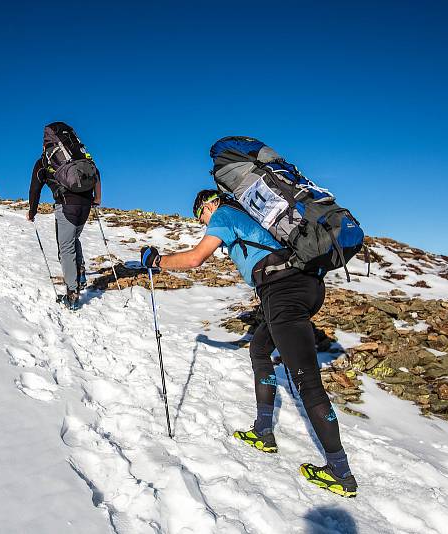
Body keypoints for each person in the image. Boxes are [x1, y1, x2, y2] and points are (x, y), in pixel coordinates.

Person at [139, 189, 357, 498]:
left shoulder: (225, 214)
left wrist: (157, 260)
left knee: (307, 381)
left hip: (283, 290)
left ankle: (341, 471)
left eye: (200, 214)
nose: (202, 221)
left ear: (210, 203)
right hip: (301, 287)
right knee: (259, 349)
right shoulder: (254, 215)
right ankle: (264, 430)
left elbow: (195, 258)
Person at [26, 122, 101, 309]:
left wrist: (32, 211)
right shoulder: (79, 154)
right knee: (74, 238)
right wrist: (96, 199)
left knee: (65, 249)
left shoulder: (44, 161)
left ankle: (72, 295)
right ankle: (80, 274)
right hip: (86, 204)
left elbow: (35, 188)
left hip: (66, 205)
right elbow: (96, 173)